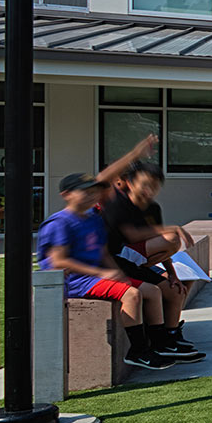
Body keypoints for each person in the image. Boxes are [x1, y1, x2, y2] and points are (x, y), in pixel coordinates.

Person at [38, 134, 175, 372]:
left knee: (151, 290)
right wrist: (101, 272)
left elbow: (102, 251)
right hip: (75, 282)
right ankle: (138, 351)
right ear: (67, 195)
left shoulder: (92, 218)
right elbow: (58, 262)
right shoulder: (60, 222)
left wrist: (113, 271)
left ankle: (160, 344)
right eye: (84, 191)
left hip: (96, 276)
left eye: (93, 191)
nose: (92, 195)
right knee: (131, 295)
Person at [102, 164, 204, 363]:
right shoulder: (118, 205)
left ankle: (170, 338)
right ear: (130, 183)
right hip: (118, 262)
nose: (150, 189)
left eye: (155, 185)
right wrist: (172, 228)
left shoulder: (153, 208)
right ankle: (157, 343)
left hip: (139, 262)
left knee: (176, 289)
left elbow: (161, 245)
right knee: (172, 238)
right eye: (145, 184)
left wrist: (172, 273)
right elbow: (131, 234)